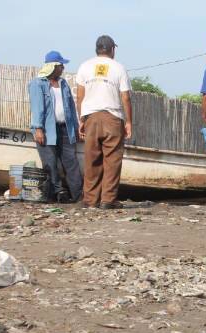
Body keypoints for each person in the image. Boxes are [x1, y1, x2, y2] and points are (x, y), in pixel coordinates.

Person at [75, 35, 132, 209]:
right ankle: (108, 200)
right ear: (112, 49)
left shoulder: (84, 66)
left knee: (91, 159)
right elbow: (125, 97)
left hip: (91, 117)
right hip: (112, 117)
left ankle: (90, 200)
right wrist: (129, 122)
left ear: (97, 49)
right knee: (112, 160)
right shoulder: (119, 68)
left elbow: (79, 96)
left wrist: (81, 119)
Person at [29, 50, 82, 203]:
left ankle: (78, 195)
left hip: (65, 128)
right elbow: (37, 107)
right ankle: (56, 194)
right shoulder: (38, 83)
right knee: (50, 163)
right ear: (53, 66)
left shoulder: (63, 83)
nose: (63, 68)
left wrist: (76, 127)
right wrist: (38, 129)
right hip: (47, 130)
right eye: (61, 65)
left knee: (71, 162)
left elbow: (71, 107)